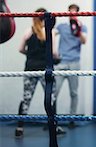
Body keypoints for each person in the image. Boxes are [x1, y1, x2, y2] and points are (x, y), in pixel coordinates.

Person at [15, 8, 65, 138]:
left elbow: (20, 49)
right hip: (45, 69)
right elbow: (54, 53)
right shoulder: (50, 32)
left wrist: (31, 55)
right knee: (51, 98)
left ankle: (19, 128)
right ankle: (54, 127)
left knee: (26, 99)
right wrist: (57, 58)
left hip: (30, 69)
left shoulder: (28, 31)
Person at [54, 3, 87, 129]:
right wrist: (54, 51)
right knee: (54, 93)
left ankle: (72, 119)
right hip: (61, 63)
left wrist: (78, 30)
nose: (72, 14)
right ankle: (52, 120)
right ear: (67, 12)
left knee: (74, 93)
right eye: (70, 11)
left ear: (77, 13)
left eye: (74, 12)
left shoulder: (82, 27)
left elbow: (84, 41)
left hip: (74, 63)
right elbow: (51, 33)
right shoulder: (62, 26)